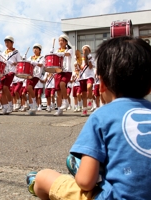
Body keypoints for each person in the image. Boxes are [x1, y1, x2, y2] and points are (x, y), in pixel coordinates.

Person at [26, 36, 151, 200]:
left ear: (103, 84)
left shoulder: (102, 115)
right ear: (149, 86)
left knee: (44, 177)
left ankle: (48, 178)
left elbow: (85, 182)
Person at [0, 36, 21, 115]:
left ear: (12, 43)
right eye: (5, 42)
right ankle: (4, 108)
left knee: (5, 87)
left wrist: (15, 63)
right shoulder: (3, 53)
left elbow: (20, 63)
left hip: (11, 71)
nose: (6, 44)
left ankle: (10, 105)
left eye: (8, 42)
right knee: (1, 91)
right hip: (3, 72)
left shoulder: (16, 52)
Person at [53, 34, 73, 116]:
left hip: (67, 71)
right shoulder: (57, 51)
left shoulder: (69, 50)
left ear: (66, 42)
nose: (60, 42)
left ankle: (66, 101)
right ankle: (59, 110)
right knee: (58, 93)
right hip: (58, 71)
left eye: (62, 40)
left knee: (62, 84)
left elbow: (67, 54)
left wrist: (59, 54)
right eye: (59, 41)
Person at [26, 43, 45, 113]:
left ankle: (34, 103)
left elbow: (41, 65)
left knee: (30, 88)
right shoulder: (30, 57)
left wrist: (34, 63)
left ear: (40, 50)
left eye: (36, 48)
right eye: (34, 48)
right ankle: (32, 107)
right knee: (28, 91)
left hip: (36, 75)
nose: (34, 50)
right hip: (29, 75)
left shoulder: (42, 57)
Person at [78, 45, 96, 116]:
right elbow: (80, 68)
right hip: (82, 77)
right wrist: (78, 65)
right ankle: (84, 110)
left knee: (89, 87)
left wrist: (88, 59)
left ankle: (90, 99)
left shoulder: (91, 58)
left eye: (86, 50)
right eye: (84, 50)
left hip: (90, 76)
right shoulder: (81, 59)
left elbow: (91, 66)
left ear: (89, 51)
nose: (85, 51)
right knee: (84, 95)